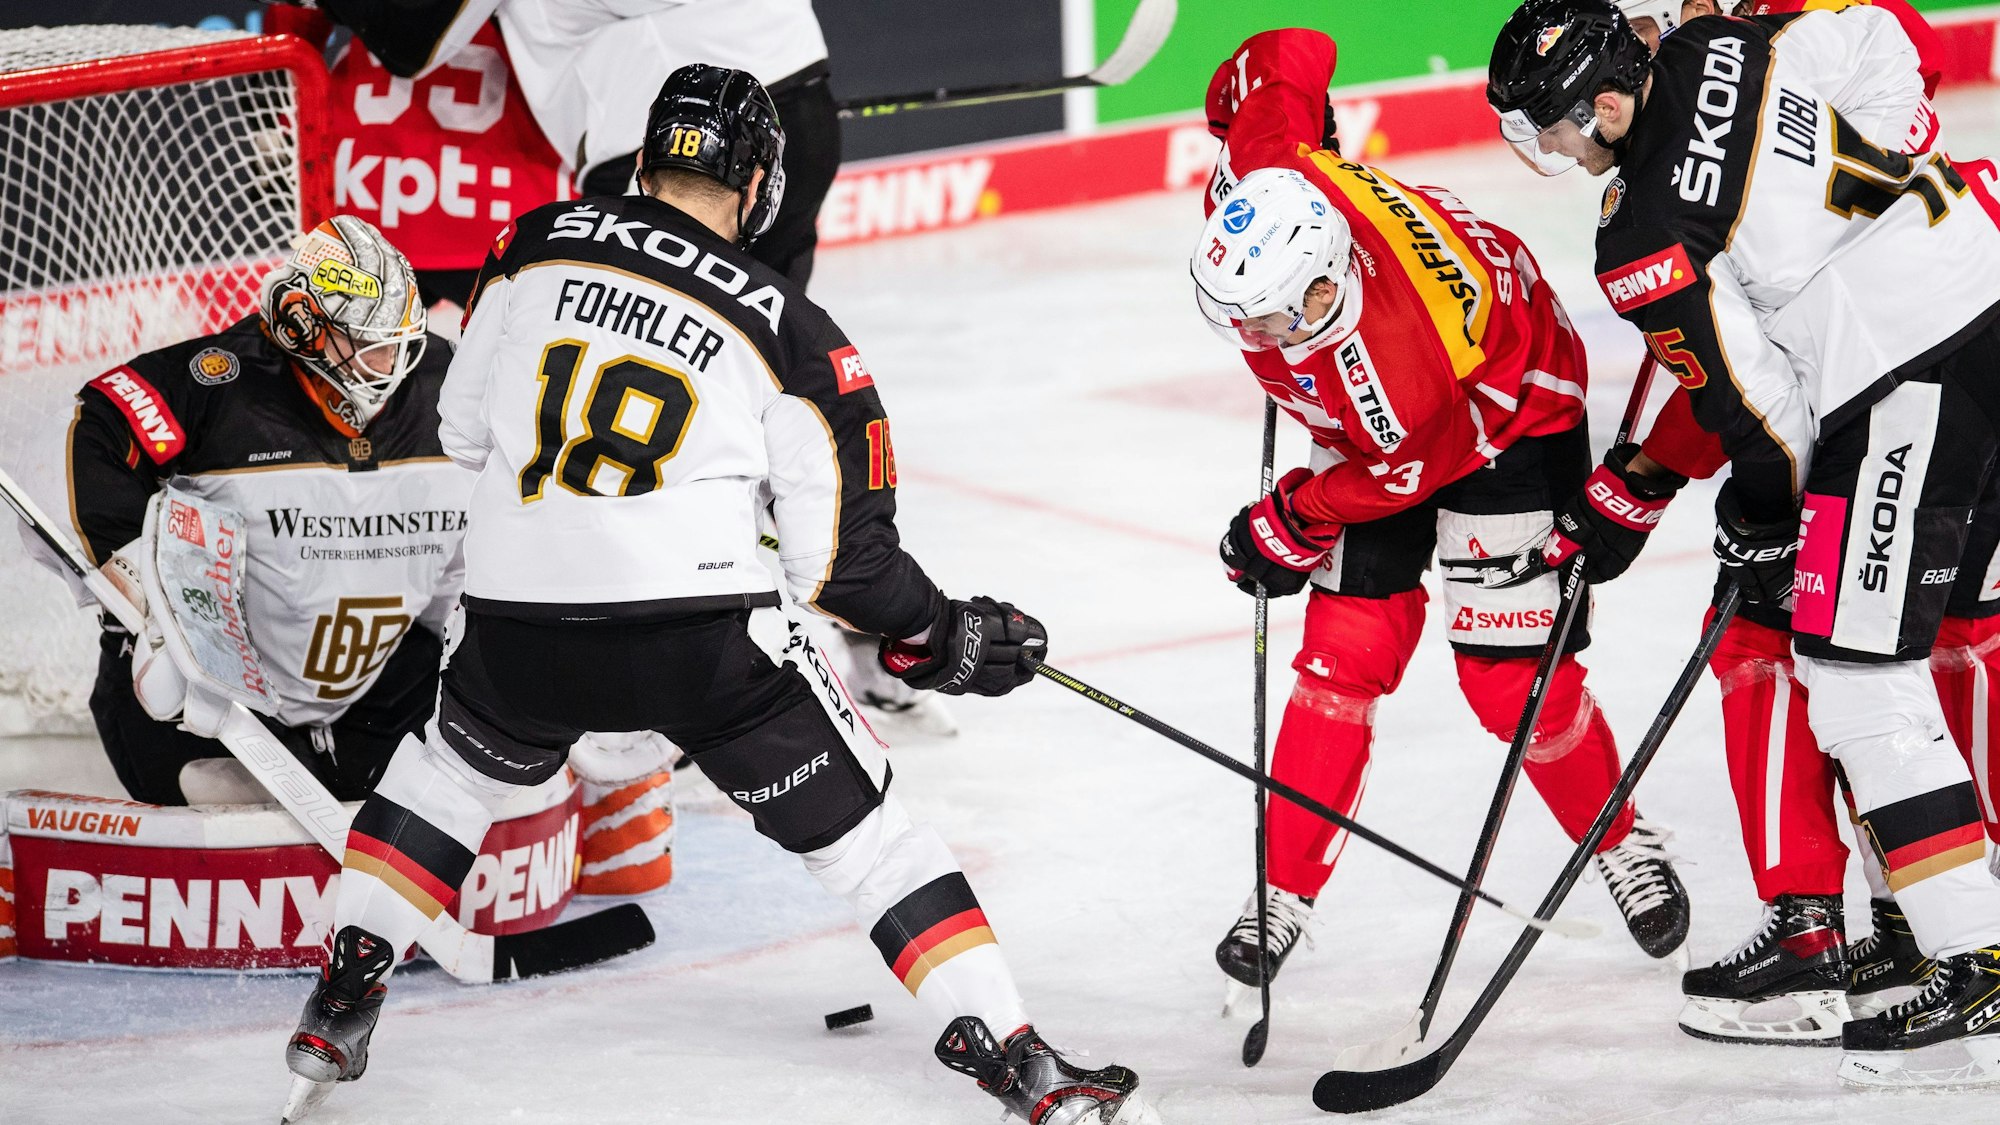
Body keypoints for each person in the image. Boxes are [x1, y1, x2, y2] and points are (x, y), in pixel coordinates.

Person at [279, 65, 1159, 1125]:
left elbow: (462, 434)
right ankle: (1017, 1063)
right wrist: (949, 635)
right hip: (700, 649)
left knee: (446, 781)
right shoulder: (796, 333)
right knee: (875, 845)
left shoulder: (530, 243)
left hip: (517, 637)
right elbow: (845, 575)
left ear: (645, 158)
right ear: (755, 184)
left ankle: (345, 987)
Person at [1490, 0, 2000, 1085]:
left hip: (1903, 379)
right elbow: (1879, 38)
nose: (1552, 150)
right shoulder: (1721, 42)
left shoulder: (1636, 237)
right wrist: (1894, 180)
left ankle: (1977, 954)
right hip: (1981, 266)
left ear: (1609, 102)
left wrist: (1765, 514)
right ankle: (1922, 925)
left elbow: (1750, 406)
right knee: (1941, 636)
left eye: (1553, 126)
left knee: (1853, 671)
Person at [1192, 29, 1691, 1008]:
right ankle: (1281, 891)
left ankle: (1619, 840)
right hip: (1384, 424)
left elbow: (1408, 465)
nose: (1261, 341)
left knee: (1507, 682)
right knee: (1341, 656)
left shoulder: (1404, 350)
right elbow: (1292, 47)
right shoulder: (1275, 170)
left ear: (1330, 285)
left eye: (1278, 320)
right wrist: (1235, 110)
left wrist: (1292, 518)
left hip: (1505, 411)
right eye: (1244, 321)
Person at [67, 215, 462, 805]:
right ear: (306, 327)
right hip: (225, 694)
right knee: (185, 764)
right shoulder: (222, 381)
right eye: (372, 345)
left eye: (402, 341)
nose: (394, 364)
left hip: (374, 683)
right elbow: (105, 421)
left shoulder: (444, 380)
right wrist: (139, 594)